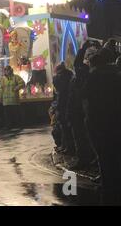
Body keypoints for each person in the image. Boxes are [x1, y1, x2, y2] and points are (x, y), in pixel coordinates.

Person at [83, 49, 121, 204]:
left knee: (104, 156)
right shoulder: (117, 76)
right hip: (115, 120)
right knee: (115, 153)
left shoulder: (94, 77)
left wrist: (88, 119)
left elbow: (85, 99)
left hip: (98, 121)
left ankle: (108, 186)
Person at [52, 63, 74, 155]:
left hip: (63, 105)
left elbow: (58, 89)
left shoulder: (60, 78)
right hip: (68, 104)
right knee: (66, 128)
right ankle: (66, 146)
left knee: (65, 128)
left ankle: (68, 147)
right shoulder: (70, 76)